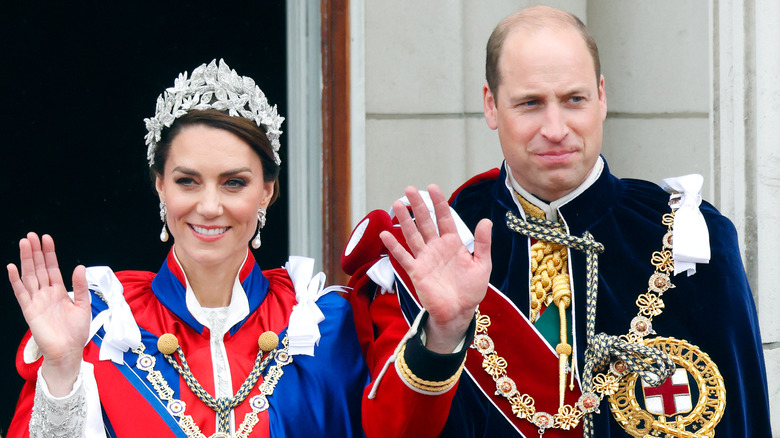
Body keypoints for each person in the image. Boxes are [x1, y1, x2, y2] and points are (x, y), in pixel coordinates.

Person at [341, 6, 772, 437]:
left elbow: (742, 416)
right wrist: (442, 333)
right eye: (530, 103)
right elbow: (392, 430)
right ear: (491, 106)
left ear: (602, 97)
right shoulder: (441, 243)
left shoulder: (687, 239)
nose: (555, 128)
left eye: (574, 100)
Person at [7, 59, 368, 438]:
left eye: (233, 183)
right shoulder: (100, 328)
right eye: (188, 181)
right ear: (161, 186)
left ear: (267, 191)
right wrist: (63, 367)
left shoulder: (321, 326)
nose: (210, 207)